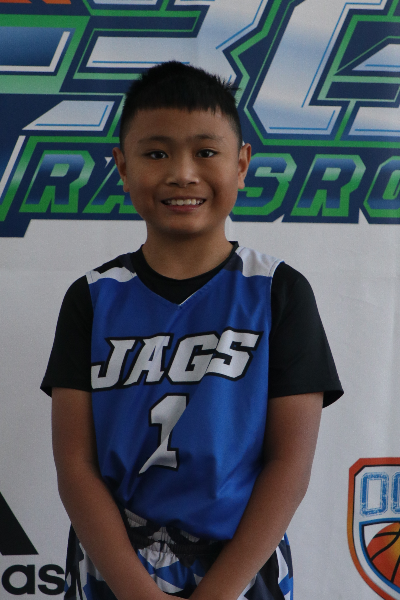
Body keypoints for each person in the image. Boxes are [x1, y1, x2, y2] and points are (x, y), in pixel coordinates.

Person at [41, 61, 343, 600]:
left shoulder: (279, 292)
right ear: (122, 166)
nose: (183, 173)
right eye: (156, 154)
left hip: (241, 570)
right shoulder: (91, 298)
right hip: (114, 570)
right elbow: (75, 466)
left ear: (241, 163)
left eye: (206, 152)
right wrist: (136, 591)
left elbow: (289, 466)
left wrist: (219, 592)